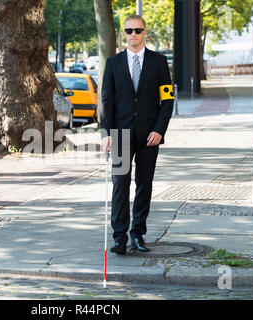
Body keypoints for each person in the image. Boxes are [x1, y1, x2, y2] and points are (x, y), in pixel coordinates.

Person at [101, 14, 174, 255]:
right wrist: (106, 133)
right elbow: (107, 101)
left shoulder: (159, 62)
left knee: (144, 185)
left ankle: (138, 235)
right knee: (120, 185)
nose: (133, 34)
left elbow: (167, 101)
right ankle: (119, 237)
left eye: (138, 30)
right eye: (129, 30)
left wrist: (159, 131)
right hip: (120, 135)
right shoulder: (113, 64)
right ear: (124, 33)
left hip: (149, 136)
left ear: (145, 33)